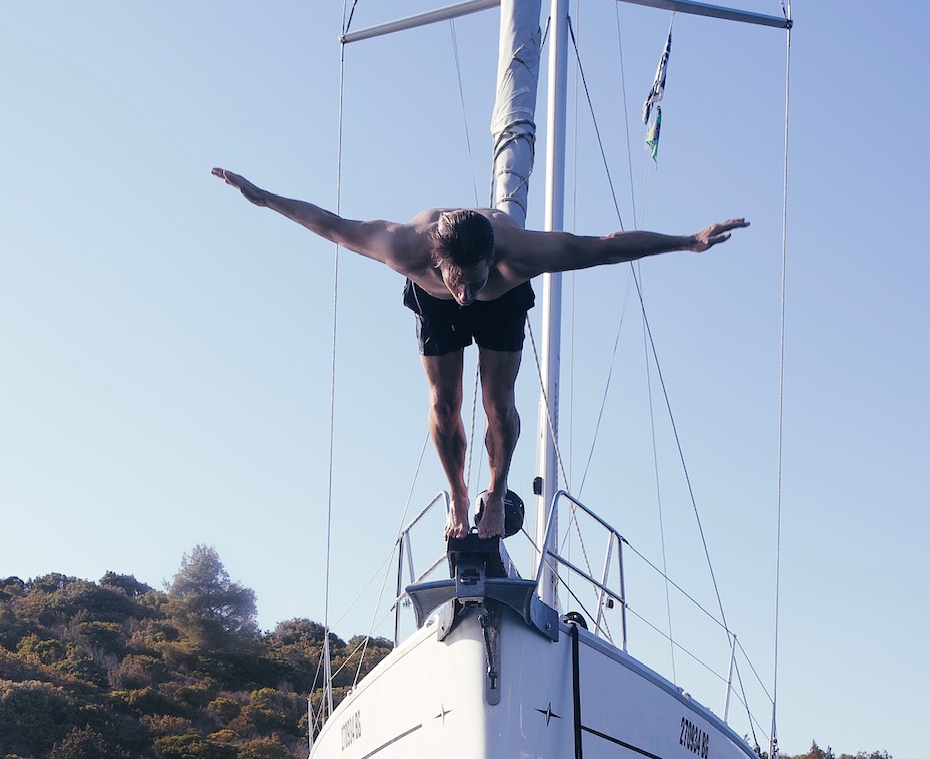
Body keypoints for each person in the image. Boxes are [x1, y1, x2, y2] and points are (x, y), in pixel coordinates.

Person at [213, 171, 746, 541]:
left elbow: (603, 247)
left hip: (504, 302)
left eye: (475, 279)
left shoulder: (522, 254)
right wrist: (265, 198)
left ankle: (496, 490)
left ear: (493, 258)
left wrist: (686, 241)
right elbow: (333, 225)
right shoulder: (404, 246)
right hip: (432, 304)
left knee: (499, 405)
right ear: (435, 260)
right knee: (443, 405)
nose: (466, 292)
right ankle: (460, 496)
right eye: (457, 280)